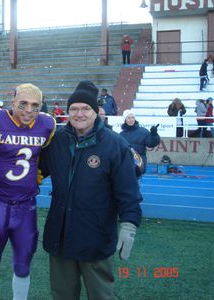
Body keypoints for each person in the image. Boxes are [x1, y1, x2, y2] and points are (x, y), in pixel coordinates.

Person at [38, 80, 142, 300]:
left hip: (96, 236)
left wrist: (129, 224)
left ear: (97, 112)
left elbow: (128, 190)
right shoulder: (56, 141)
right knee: (62, 295)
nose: (79, 113)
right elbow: (34, 171)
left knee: (100, 295)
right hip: (60, 236)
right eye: (74, 109)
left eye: (86, 108)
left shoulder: (115, 145)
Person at [0, 83, 56, 300]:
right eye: (23, 104)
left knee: (23, 265)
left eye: (35, 105)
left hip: (27, 207)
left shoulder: (48, 125)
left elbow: (46, 158)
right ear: (12, 102)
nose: (29, 110)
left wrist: (39, 175)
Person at [120, 109, 160, 174]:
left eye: (133, 117)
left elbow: (151, 143)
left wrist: (154, 135)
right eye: (129, 118)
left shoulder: (143, 132)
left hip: (139, 163)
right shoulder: (121, 134)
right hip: (126, 163)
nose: (131, 120)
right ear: (125, 120)